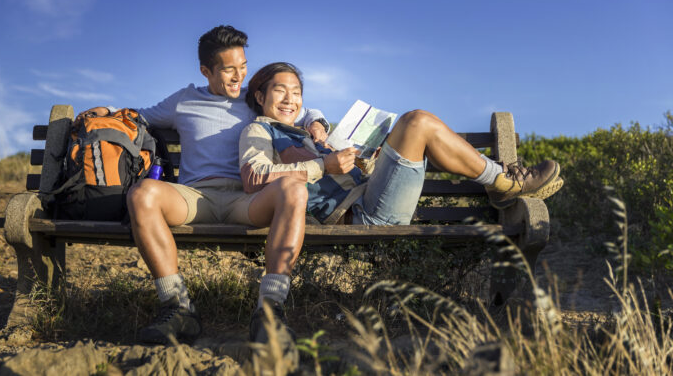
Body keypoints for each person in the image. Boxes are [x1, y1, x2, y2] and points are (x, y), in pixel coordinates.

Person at [78, 27, 325, 357]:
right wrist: (105, 110)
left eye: (243, 66)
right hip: (195, 198)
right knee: (142, 194)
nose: (239, 77)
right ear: (206, 71)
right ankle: (178, 309)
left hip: (248, 199)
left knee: (294, 190)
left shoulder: (254, 98)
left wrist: (318, 120)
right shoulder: (183, 100)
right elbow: (140, 116)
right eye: (228, 69)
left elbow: (301, 109)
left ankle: (269, 313)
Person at [239, 62, 564, 227]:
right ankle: (502, 181)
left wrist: (369, 160)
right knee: (416, 121)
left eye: (296, 92)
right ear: (259, 96)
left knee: (414, 122)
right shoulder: (258, 131)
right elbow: (254, 178)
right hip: (358, 215)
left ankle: (500, 180)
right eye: (281, 91)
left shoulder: (309, 134)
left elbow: (337, 174)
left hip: (368, 195)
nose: (290, 99)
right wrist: (324, 164)